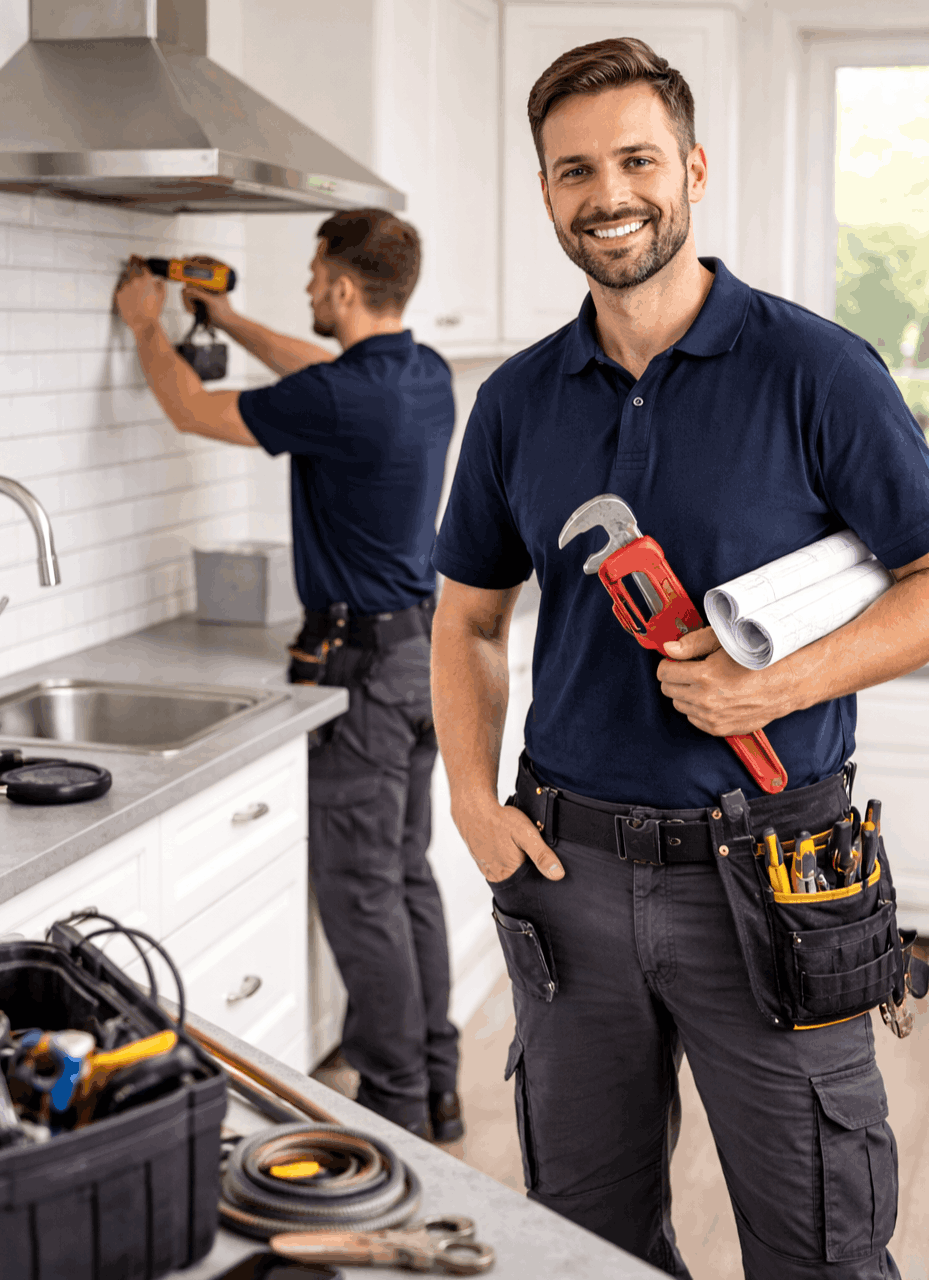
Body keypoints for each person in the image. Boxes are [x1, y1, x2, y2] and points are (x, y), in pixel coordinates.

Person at [430, 36, 929, 1279]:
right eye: (574, 170)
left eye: (637, 160)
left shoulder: (816, 369)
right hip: (566, 872)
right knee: (582, 1241)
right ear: (545, 191)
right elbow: (469, 617)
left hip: (774, 869)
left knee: (821, 1248)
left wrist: (778, 681)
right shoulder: (517, 400)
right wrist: (471, 800)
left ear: (692, 169)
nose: (608, 194)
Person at [114, 210, 463, 1142]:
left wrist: (146, 324)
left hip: (360, 671)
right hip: (421, 658)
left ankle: (395, 1107)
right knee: (405, 874)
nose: (307, 289)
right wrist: (228, 320)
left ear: (344, 288)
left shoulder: (339, 398)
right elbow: (320, 372)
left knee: (362, 890)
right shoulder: (424, 375)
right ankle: (436, 1082)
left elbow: (192, 409)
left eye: (314, 276)